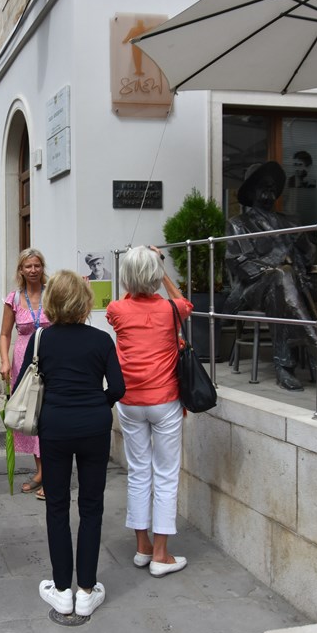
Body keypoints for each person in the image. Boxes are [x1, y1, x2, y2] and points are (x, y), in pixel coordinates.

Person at [18, 270, 125, 618]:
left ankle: (62, 589)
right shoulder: (101, 340)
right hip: (95, 427)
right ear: (84, 302)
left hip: (55, 427)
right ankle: (87, 589)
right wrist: (97, 403)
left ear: (52, 301)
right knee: (92, 506)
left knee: (57, 506)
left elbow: (22, 385)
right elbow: (118, 388)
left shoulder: (41, 339)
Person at [224, 162, 317, 391]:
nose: (269, 192)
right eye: (263, 187)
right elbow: (241, 263)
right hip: (254, 289)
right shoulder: (239, 224)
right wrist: (279, 261)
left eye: (272, 187)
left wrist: (302, 243)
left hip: (291, 286)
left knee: (282, 286)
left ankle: (285, 366)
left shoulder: (291, 222)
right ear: (251, 192)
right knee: (281, 277)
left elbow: (309, 256)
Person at [107, 246, 192, 579]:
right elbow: (184, 301)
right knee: (166, 474)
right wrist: (162, 269)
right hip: (165, 399)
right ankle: (161, 554)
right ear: (155, 276)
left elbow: (127, 301)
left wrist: (137, 276)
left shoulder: (117, 309)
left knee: (139, 471)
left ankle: (143, 546)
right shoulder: (172, 309)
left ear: (126, 277)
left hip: (130, 401)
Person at [0, 248, 51, 498]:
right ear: (20, 270)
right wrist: (4, 361)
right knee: (30, 414)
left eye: (37, 265)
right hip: (23, 362)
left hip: (50, 359)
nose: (33, 270)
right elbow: (4, 334)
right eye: (28, 266)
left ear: (42, 267)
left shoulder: (52, 293)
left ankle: (49, 473)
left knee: (49, 415)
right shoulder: (13, 298)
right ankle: (41, 471)